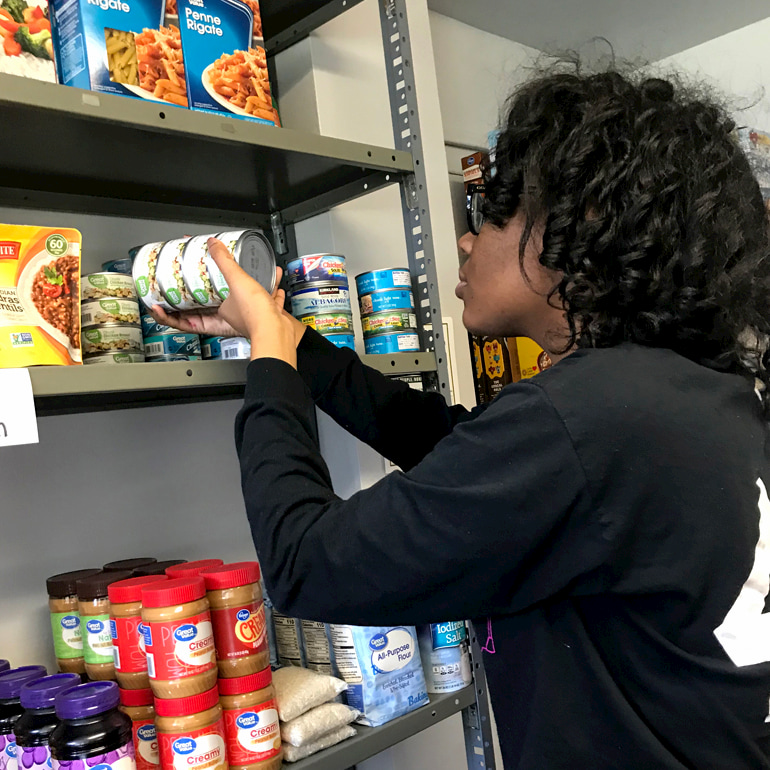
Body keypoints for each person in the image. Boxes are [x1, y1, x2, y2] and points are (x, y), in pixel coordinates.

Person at [151, 64, 770, 769]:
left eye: (496, 214)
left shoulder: (590, 415)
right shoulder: (685, 392)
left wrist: (268, 359)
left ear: (583, 228)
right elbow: (460, 447)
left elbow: (307, 562)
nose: (469, 242)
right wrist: (291, 339)